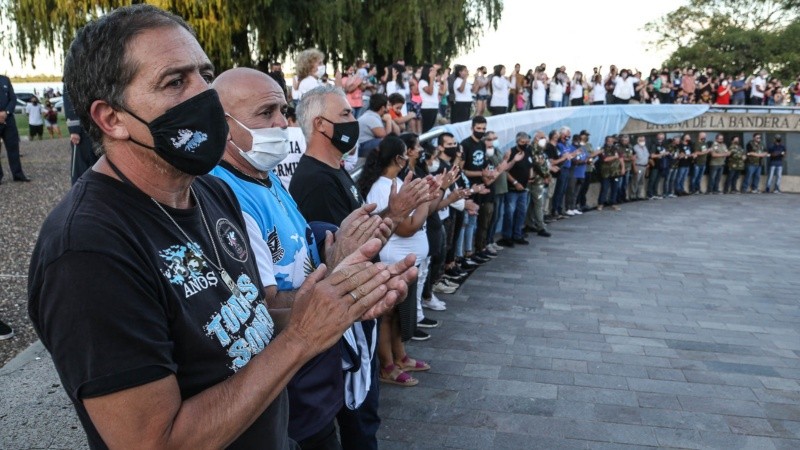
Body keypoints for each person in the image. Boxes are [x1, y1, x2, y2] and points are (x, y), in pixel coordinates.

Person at [28, 6, 414, 449]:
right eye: (175, 82)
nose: (205, 96)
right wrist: (304, 338)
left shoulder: (213, 194)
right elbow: (154, 442)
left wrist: (333, 300)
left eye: (204, 75)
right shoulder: (87, 253)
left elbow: (242, 321)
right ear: (111, 118)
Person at [210, 67, 395, 449]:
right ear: (223, 125)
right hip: (288, 391)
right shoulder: (224, 194)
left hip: (315, 379)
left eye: (282, 110)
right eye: (266, 113)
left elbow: (304, 254)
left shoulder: (266, 174)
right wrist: (344, 286)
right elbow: (266, 304)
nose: (282, 122)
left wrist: (337, 249)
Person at [290, 84, 433, 450]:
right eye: (346, 115)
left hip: (357, 311)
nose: (354, 122)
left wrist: (394, 212)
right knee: (357, 414)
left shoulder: (334, 171)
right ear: (321, 126)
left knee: (365, 414)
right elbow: (340, 253)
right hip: (345, 319)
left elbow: (361, 236)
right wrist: (395, 215)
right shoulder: (314, 181)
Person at [498, 132, 533, 247]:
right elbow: (505, 170)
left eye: (527, 142)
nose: (525, 144)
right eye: (523, 142)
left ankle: (517, 234)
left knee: (521, 212)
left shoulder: (528, 151)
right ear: (517, 141)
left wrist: (530, 177)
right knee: (509, 213)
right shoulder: (511, 152)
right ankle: (507, 236)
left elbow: (530, 165)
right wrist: (515, 182)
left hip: (524, 188)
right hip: (512, 188)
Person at [63, 83, 99, 184]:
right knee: (81, 166)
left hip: (96, 125)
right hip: (82, 128)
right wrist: (74, 129)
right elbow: (69, 99)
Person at [0, 74, 31, 182]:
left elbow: (13, 98)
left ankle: (18, 174)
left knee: (13, 148)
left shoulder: (4, 80)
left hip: (8, 119)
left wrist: (6, 112)